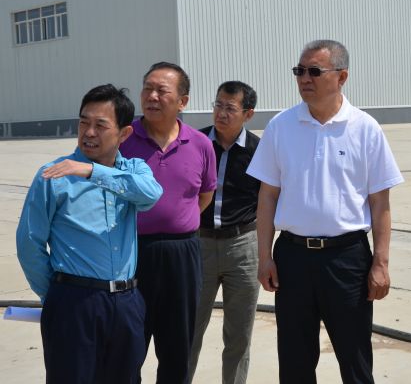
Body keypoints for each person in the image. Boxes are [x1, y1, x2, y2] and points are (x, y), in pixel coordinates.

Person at [247, 40, 404, 383]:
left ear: (342, 76)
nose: (305, 78)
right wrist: (264, 257)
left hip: (346, 259)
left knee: (355, 359)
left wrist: (380, 263)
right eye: (299, 71)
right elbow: (267, 197)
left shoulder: (365, 128)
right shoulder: (281, 126)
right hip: (292, 258)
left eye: (314, 71)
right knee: (295, 361)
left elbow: (380, 203)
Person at [16, 84, 163, 384]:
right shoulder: (54, 175)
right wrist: (55, 295)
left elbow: (151, 194)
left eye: (100, 125)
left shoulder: (134, 171)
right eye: (84, 123)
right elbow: (29, 243)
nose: (89, 133)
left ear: (124, 134)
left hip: (126, 302)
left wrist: (92, 172)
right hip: (74, 301)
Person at [120, 62, 217, 383]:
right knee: (127, 344)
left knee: (177, 347)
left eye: (162, 90)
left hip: (182, 255)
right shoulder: (123, 139)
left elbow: (204, 195)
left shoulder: (200, 144)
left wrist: (176, 218)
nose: (152, 96)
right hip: (131, 253)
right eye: (147, 88)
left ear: (182, 101)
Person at [188, 81, 261, 384]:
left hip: (243, 247)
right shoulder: (194, 142)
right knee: (189, 329)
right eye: (218, 105)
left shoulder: (259, 151)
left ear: (248, 114)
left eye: (230, 108)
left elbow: (269, 201)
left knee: (239, 335)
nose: (221, 113)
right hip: (199, 244)